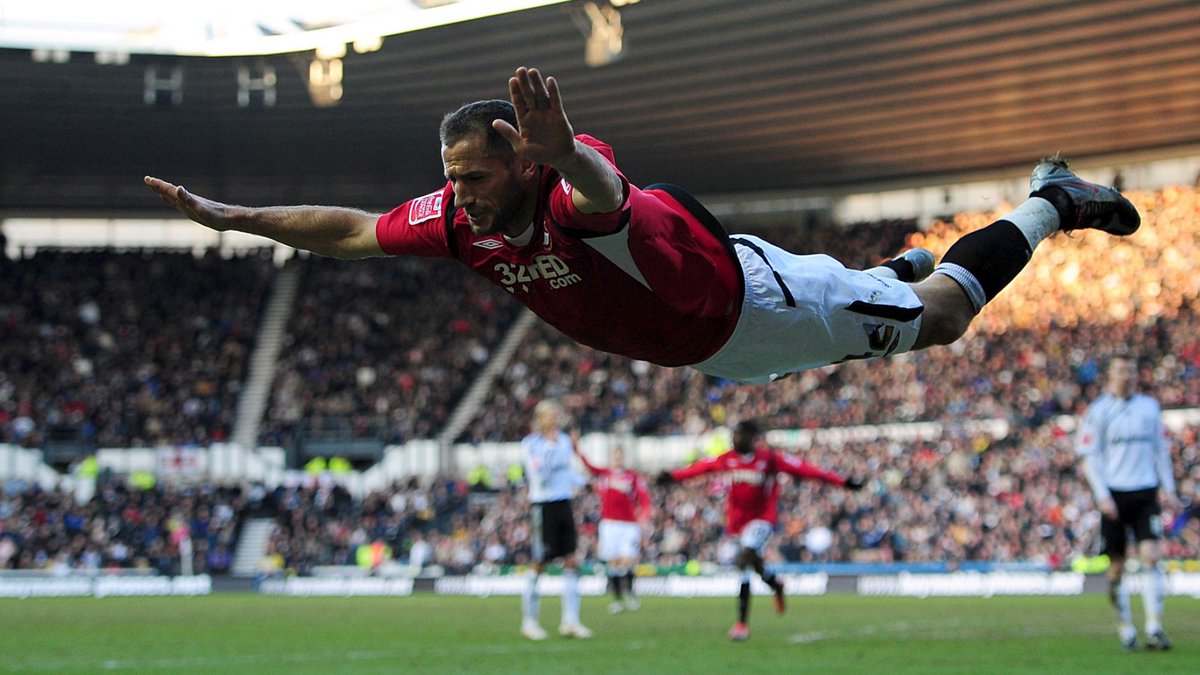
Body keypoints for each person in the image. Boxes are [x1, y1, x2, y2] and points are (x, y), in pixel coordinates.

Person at [144, 66, 1140, 386]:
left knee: (938, 318)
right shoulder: (460, 221)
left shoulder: (573, 195)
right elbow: (353, 230)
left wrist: (567, 146)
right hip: (714, 348)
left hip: (752, 309)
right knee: (863, 332)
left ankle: (1051, 196)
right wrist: (234, 219)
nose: (458, 192)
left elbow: (604, 198)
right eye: (450, 177)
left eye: (474, 174)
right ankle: (883, 270)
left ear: (523, 162)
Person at [656, 419, 864, 641]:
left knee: (745, 558)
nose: (736, 439)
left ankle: (741, 625)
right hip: (737, 523)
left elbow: (807, 470)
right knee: (749, 565)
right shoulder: (729, 459)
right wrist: (672, 477)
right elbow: (702, 468)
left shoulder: (769, 459)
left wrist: (843, 483)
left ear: (752, 439)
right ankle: (775, 583)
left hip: (762, 520)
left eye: (740, 435)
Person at [1076, 356, 1179, 652]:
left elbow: (1160, 449)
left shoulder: (1149, 407)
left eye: (1132, 369)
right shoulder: (1098, 411)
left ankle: (1155, 628)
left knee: (1151, 556)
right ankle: (1126, 629)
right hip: (1114, 494)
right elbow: (1089, 456)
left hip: (1145, 491)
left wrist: (1167, 488)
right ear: (1110, 374)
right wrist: (1102, 495)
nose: (1127, 375)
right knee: (1117, 568)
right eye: (1121, 369)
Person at [518, 399, 590, 640]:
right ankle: (530, 621)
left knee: (570, 559)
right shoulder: (532, 445)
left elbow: (567, 471)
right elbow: (540, 475)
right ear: (540, 419)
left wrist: (586, 482)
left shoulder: (565, 441)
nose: (554, 419)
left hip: (563, 502)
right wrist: (549, 448)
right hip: (543, 505)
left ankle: (570, 621)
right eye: (550, 415)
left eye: (556, 414)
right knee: (540, 561)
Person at [573, 442, 651, 614]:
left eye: (619, 456)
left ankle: (630, 594)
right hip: (609, 523)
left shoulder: (632, 476)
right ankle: (617, 600)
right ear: (611, 458)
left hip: (629, 523)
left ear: (623, 458)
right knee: (613, 562)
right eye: (615, 456)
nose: (617, 459)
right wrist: (576, 448)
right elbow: (589, 466)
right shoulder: (605, 475)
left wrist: (644, 514)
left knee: (628, 560)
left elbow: (643, 497)